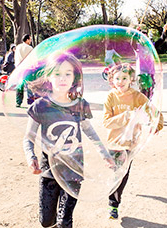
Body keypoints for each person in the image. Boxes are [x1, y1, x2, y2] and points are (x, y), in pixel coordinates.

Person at [23, 52, 111, 228]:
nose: (62, 78)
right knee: (46, 221)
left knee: (65, 221)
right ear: (49, 76)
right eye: (57, 73)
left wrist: (103, 153)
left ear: (75, 78)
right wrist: (30, 155)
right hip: (49, 169)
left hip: (73, 169)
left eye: (67, 73)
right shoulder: (41, 106)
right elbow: (29, 136)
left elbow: (89, 131)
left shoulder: (79, 104)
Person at [103, 63, 164, 219]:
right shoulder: (111, 96)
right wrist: (126, 116)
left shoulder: (137, 96)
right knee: (116, 172)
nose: (121, 81)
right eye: (117, 78)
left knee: (122, 174)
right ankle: (113, 199)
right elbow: (106, 122)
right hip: (114, 142)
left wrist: (157, 124)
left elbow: (154, 112)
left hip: (130, 143)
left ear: (131, 78)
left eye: (124, 78)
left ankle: (113, 205)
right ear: (112, 80)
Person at [15, 34, 33, 107]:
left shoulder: (18, 47)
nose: (31, 41)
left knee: (19, 86)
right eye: (30, 39)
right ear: (27, 40)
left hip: (19, 68)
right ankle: (30, 102)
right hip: (27, 68)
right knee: (29, 86)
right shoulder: (29, 48)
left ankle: (18, 102)